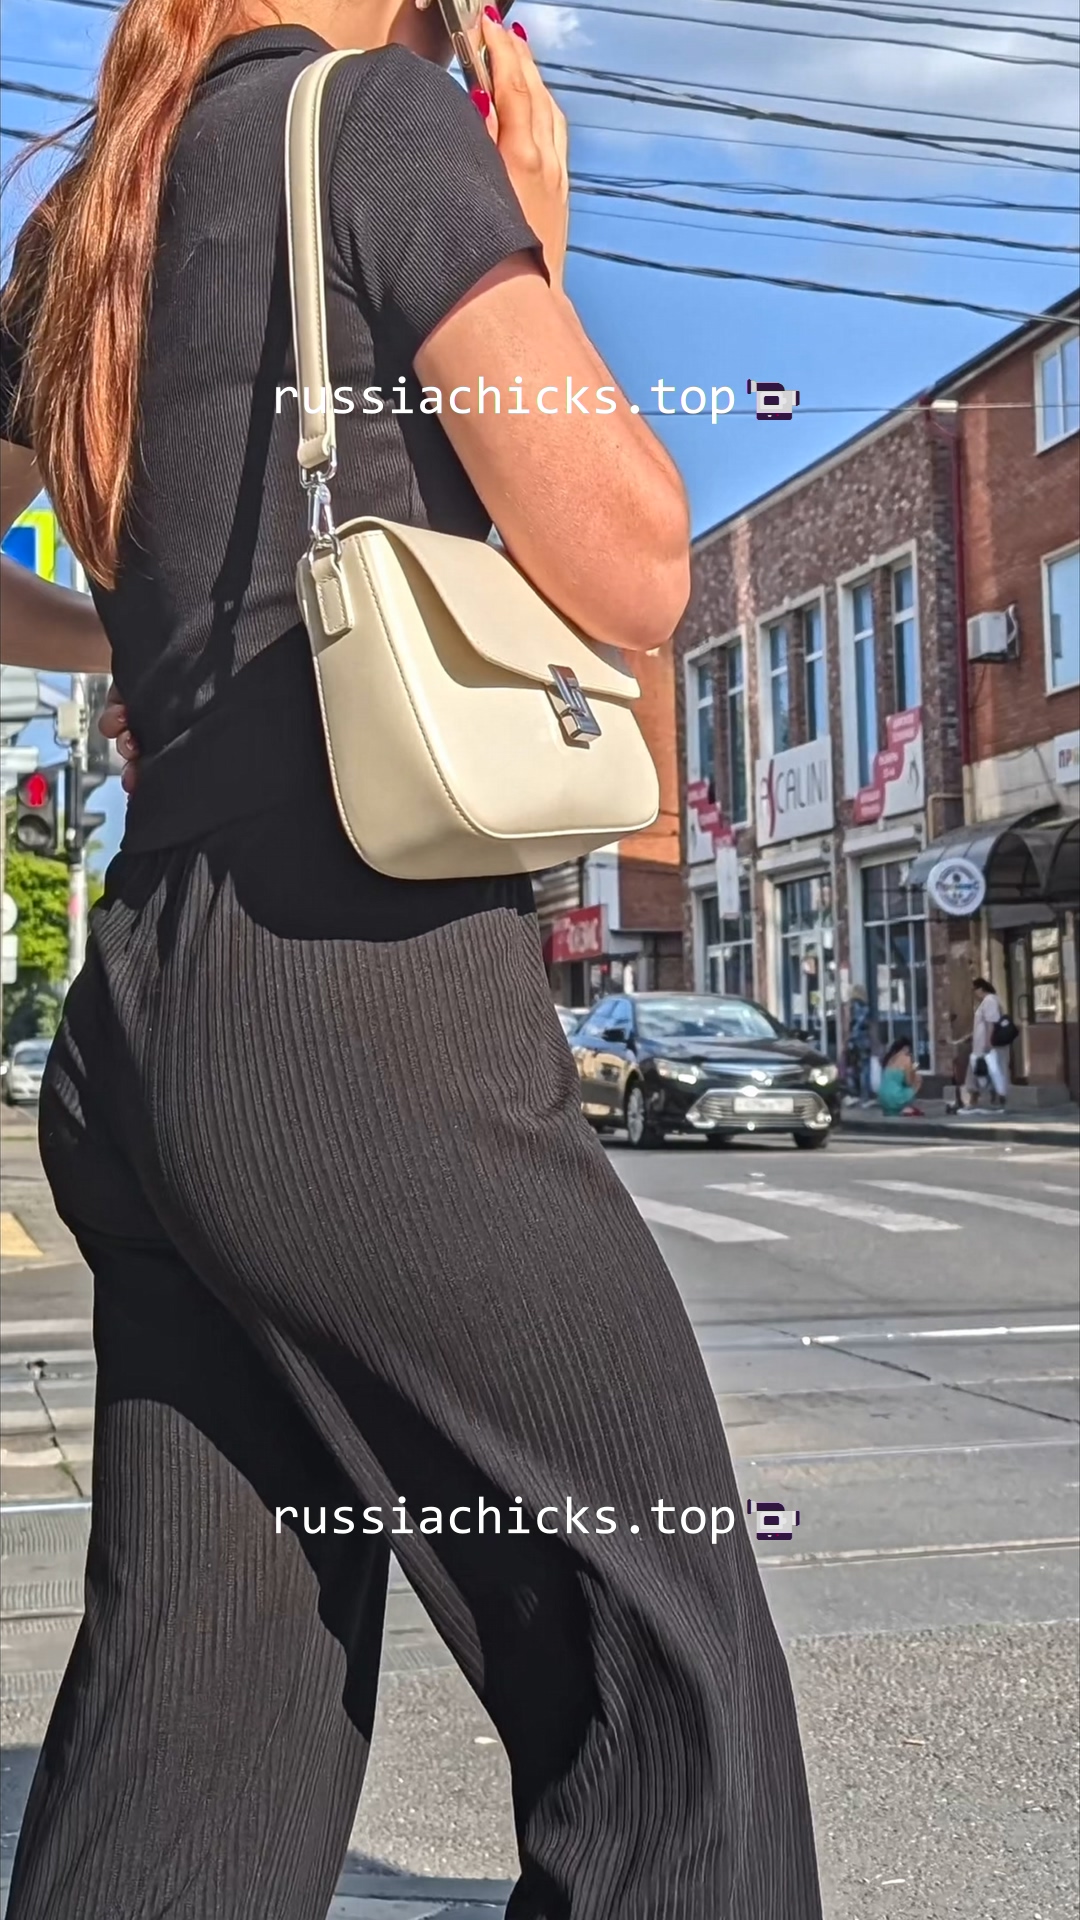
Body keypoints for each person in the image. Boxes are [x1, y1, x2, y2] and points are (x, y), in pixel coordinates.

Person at [0, 5, 821, 1917]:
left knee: (203, 1720)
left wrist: (125, 645)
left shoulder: (91, 217)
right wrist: (524, 238)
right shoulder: (375, 125)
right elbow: (632, 560)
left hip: (144, 1016)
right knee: (670, 1691)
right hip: (362, 1001)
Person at [962, 976, 1010, 1111]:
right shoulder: (987, 1001)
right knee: (987, 1071)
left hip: (984, 1045)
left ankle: (977, 1099)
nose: (974, 994)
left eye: (974, 990)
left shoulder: (990, 1001)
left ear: (980, 989)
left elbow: (991, 1022)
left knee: (980, 1071)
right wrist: (972, 1035)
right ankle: (994, 1099)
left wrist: (988, 1041)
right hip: (980, 1044)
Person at [845, 985, 878, 1107]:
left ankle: (853, 1095)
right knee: (865, 1069)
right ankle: (865, 1098)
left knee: (853, 1069)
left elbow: (847, 1026)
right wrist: (875, 1043)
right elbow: (871, 1026)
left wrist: (845, 1042)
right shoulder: (866, 1008)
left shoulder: (850, 1007)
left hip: (853, 1043)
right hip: (864, 1042)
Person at [877, 1036, 924, 1117]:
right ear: (905, 1048)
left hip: (882, 1098)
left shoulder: (890, 1059)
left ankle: (895, 1111)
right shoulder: (906, 1058)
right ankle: (903, 1108)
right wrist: (913, 1069)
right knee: (918, 1079)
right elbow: (908, 1082)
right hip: (895, 1098)